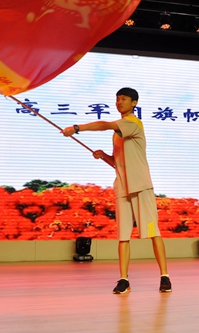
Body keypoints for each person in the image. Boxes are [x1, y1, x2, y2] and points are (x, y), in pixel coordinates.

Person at [62, 87, 171, 294]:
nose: (119, 102)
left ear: (134, 103)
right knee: (123, 235)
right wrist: (104, 156)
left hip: (141, 187)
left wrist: (77, 128)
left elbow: (104, 124)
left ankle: (165, 276)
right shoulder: (118, 133)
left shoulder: (133, 123)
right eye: (117, 99)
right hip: (123, 187)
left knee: (153, 232)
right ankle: (123, 279)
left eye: (124, 99)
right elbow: (119, 163)